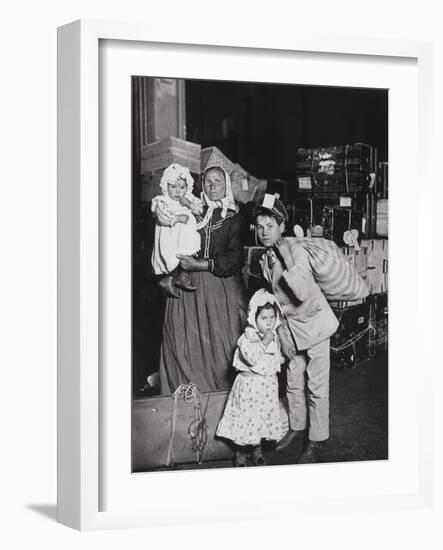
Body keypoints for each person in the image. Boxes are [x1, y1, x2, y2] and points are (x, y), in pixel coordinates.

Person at [253, 195, 339, 463]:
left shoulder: (295, 250)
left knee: (317, 386)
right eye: (259, 227)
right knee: (292, 382)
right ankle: (297, 426)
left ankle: (316, 441)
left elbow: (300, 291)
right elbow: (275, 301)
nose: (264, 232)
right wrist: (280, 334)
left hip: (315, 325)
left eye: (270, 225)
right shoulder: (264, 258)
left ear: (282, 226)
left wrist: (288, 255)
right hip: (291, 329)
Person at [154, 165, 247, 394]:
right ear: (201, 185)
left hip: (217, 287)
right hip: (186, 286)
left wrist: (202, 264)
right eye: (207, 181)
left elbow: (235, 259)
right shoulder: (191, 210)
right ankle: (185, 399)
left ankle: (220, 400)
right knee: (181, 341)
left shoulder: (234, 219)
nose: (212, 185)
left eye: (218, 181)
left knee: (220, 345)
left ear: (226, 185)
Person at [216, 289, 284, 467]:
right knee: (245, 420)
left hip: (265, 388)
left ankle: (257, 449)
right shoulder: (247, 338)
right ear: (254, 318)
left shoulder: (273, 336)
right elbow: (252, 357)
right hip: (249, 387)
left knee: (260, 419)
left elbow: (274, 359)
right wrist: (264, 342)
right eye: (264, 318)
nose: (268, 323)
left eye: (271, 318)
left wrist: (278, 359)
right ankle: (240, 452)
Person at [151, 163, 203, 298]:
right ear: (165, 186)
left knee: (187, 253)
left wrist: (189, 204)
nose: (178, 191)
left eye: (182, 187)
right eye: (173, 187)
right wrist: (178, 218)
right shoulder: (162, 201)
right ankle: (169, 278)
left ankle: (179, 277)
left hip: (186, 235)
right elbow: (162, 218)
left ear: (188, 187)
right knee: (172, 255)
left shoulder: (189, 198)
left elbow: (199, 209)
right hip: (170, 235)